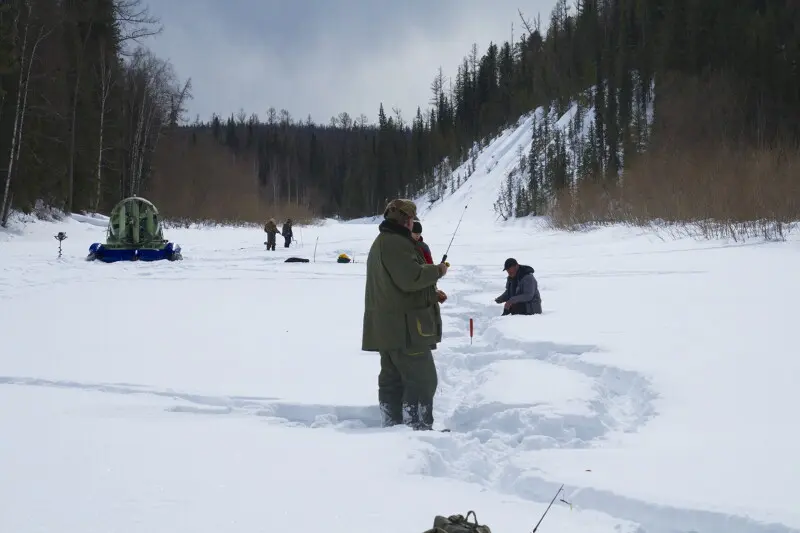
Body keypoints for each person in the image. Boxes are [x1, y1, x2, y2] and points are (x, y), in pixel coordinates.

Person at [362, 198, 449, 430]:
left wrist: (431, 295)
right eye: (411, 219)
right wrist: (438, 271)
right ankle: (417, 428)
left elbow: (397, 289)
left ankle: (394, 427)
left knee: (393, 380)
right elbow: (411, 278)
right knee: (422, 379)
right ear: (406, 220)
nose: (413, 223)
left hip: (390, 327)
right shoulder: (395, 243)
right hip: (405, 329)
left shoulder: (384, 241)